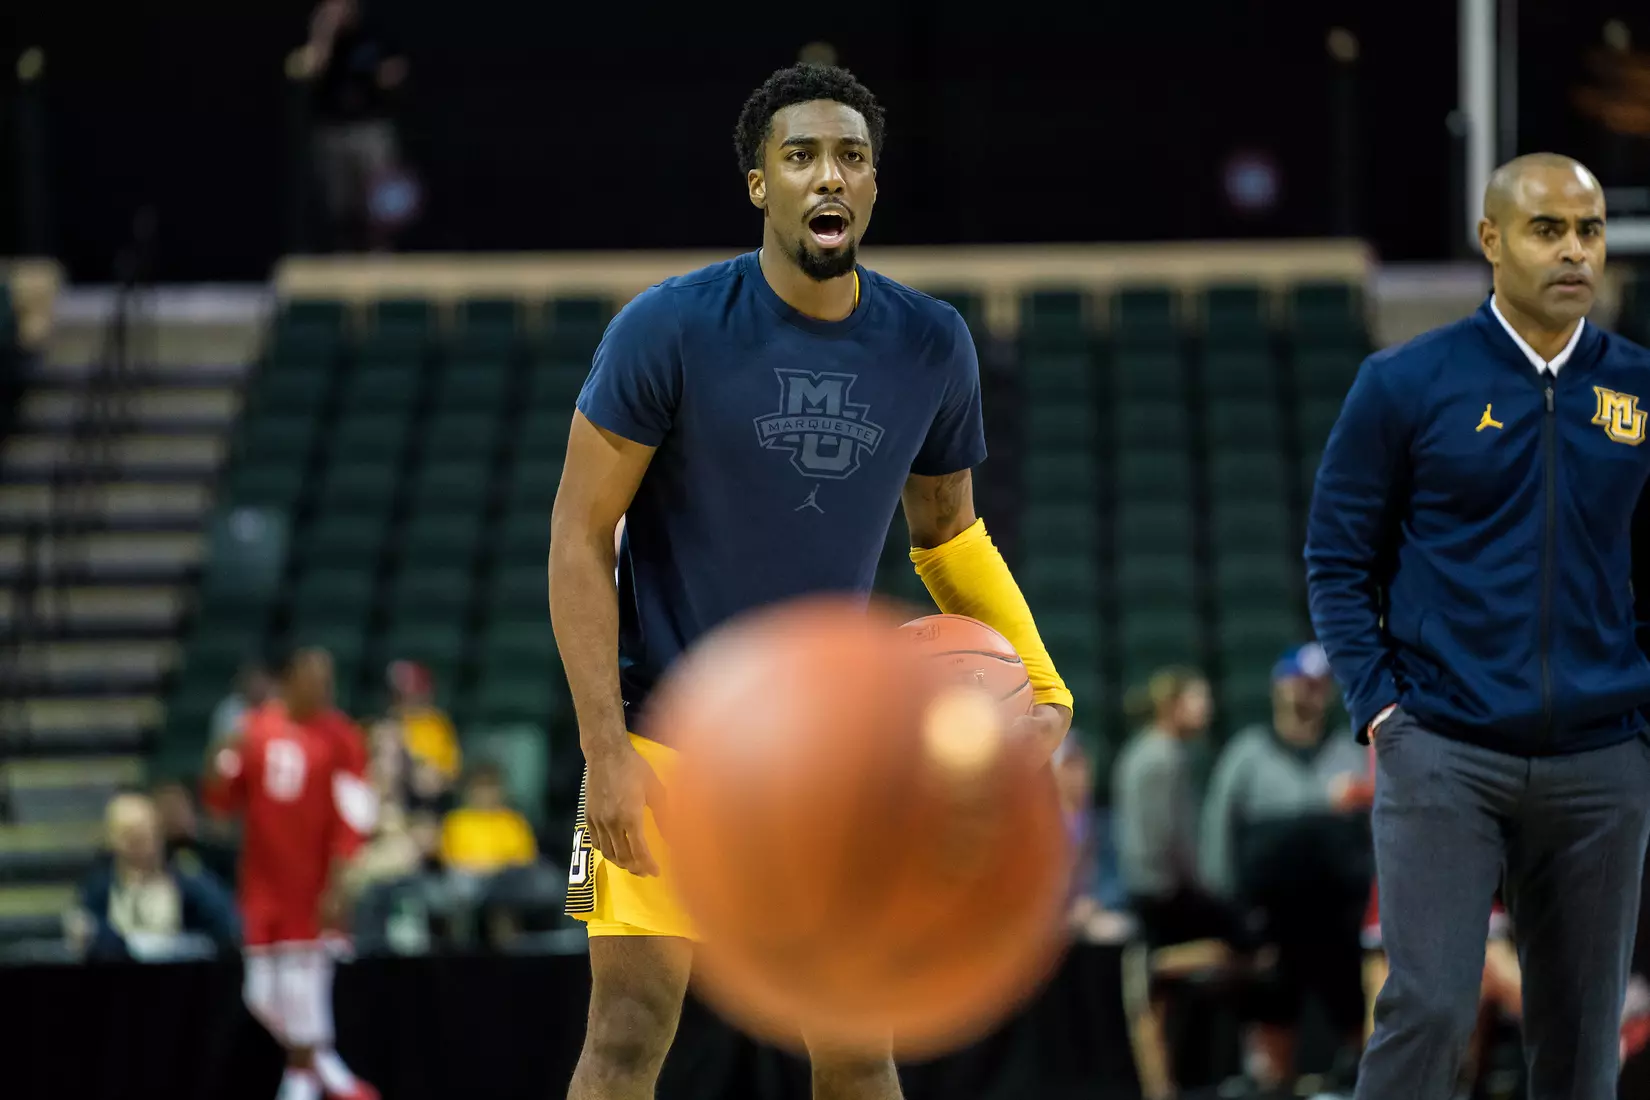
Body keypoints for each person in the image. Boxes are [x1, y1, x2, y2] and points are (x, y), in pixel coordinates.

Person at [548, 63, 1073, 1100]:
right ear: (759, 184)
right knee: (626, 1033)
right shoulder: (667, 326)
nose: (828, 176)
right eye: (800, 157)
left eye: (850, 157)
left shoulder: (931, 341)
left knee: (857, 1044)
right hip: (663, 739)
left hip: (827, 752)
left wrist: (1045, 683)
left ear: (872, 184)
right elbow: (579, 532)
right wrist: (603, 753)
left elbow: (949, 535)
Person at [1306, 152, 1650, 1100]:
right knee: (1428, 1009)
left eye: (1589, 231)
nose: (1575, 251)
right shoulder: (1405, 382)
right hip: (1445, 750)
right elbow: (1336, 560)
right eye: (1548, 229)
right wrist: (1383, 709)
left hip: (1602, 759)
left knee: (1583, 1040)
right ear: (1491, 240)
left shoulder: (1639, 388)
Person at [203, 648, 380, 1100]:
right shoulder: (256, 730)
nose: (324, 689)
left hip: (312, 887)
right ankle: (334, 1076)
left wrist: (339, 883)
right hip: (262, 886)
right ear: (289, 681)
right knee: (259, 994)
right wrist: (221, 753)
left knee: (305, 991)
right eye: (314, 679)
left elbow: (355, 818)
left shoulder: (341, 737)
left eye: (328, 681)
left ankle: (303, 1083)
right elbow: (221, 803)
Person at [1199, 644, 1370, 1092]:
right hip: (1271, 921)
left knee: (1354, 1013)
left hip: (1338, 920)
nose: (1308, 693)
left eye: (1318, 685)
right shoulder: (1247, 755)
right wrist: (1230, 910)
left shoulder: (1348, 753)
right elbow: (1217, 833)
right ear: (1278, 687)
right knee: (1272, 1021)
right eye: (1300, 683)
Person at [66, 791, 240, 962]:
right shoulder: (99, 887)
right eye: (130, 836)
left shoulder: (187, 880)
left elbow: (226, 924)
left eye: (145, 834)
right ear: (113, 840)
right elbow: (86, 930)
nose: (140, 845)